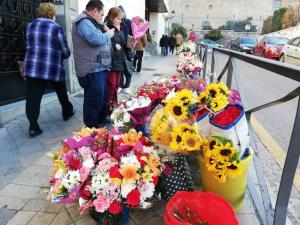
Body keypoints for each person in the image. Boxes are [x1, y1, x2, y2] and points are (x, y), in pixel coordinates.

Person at [24, 2, 74, 137]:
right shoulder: (56, 27)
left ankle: (33, 127)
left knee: (33, 98)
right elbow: (64, 50)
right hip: (52, 67)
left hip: (33, 67)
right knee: (61, 92)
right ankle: (67, 111)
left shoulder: (29, 26)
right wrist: (66, 54)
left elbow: (28, 45)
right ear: (52, 14)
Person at [72, 0, 114, 128]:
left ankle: (101, 119)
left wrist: (104, 29)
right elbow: (95, 39)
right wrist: (108, 34)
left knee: (100, 97)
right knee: (94, 99)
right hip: (91, 69)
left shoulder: (91, 22)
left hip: (97, 67)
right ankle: (91, 127)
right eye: (101, 14)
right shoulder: (84, 21)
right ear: (95, 11)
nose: (102, 17)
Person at [104, 7, 127, 116]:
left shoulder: (122, 27)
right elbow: (103, 42)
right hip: (111, 61)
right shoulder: (106, 27)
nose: (120, 21)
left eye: (121, 19)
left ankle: (114, 105)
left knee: (117, 85)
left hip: (120, 59)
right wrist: (113, 45)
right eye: (118, 18)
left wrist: (130, 45)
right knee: (111, 85)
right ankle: (107, 108)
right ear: (112, 17)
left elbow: (123, 42)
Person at [118, 5, 133, 94]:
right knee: (120, 68)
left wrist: (133, 40)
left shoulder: (129, 22)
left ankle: (127, 86)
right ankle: (120, 85)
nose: (120, 14)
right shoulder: (116, 22)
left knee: (128, 68)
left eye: (121, 12)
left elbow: (134, 34)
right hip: (119, 48)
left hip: (128, 48)